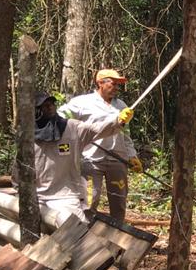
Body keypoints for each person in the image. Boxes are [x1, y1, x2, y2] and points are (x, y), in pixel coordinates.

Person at [35, 92, 132, 224]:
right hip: (37, 196)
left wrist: (118, 121)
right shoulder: (28, 136)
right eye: (45, 105)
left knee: (76, 226)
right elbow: (19, 173)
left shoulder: (72, 127)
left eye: (52, 104)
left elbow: (98, 129)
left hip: (66, 195)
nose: (50, 107)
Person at [59, 68, 141, 221]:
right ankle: (86, 230)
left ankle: (117, 231)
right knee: (90, 201)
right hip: (90, 160)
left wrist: (132, 155)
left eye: (118, 84)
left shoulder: (121, 106)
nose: (116, 87)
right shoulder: (82, 103)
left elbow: (126, 134)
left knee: (119, 200)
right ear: (100, 83)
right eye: (113, 83)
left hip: (117, 159)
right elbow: (60, 117)